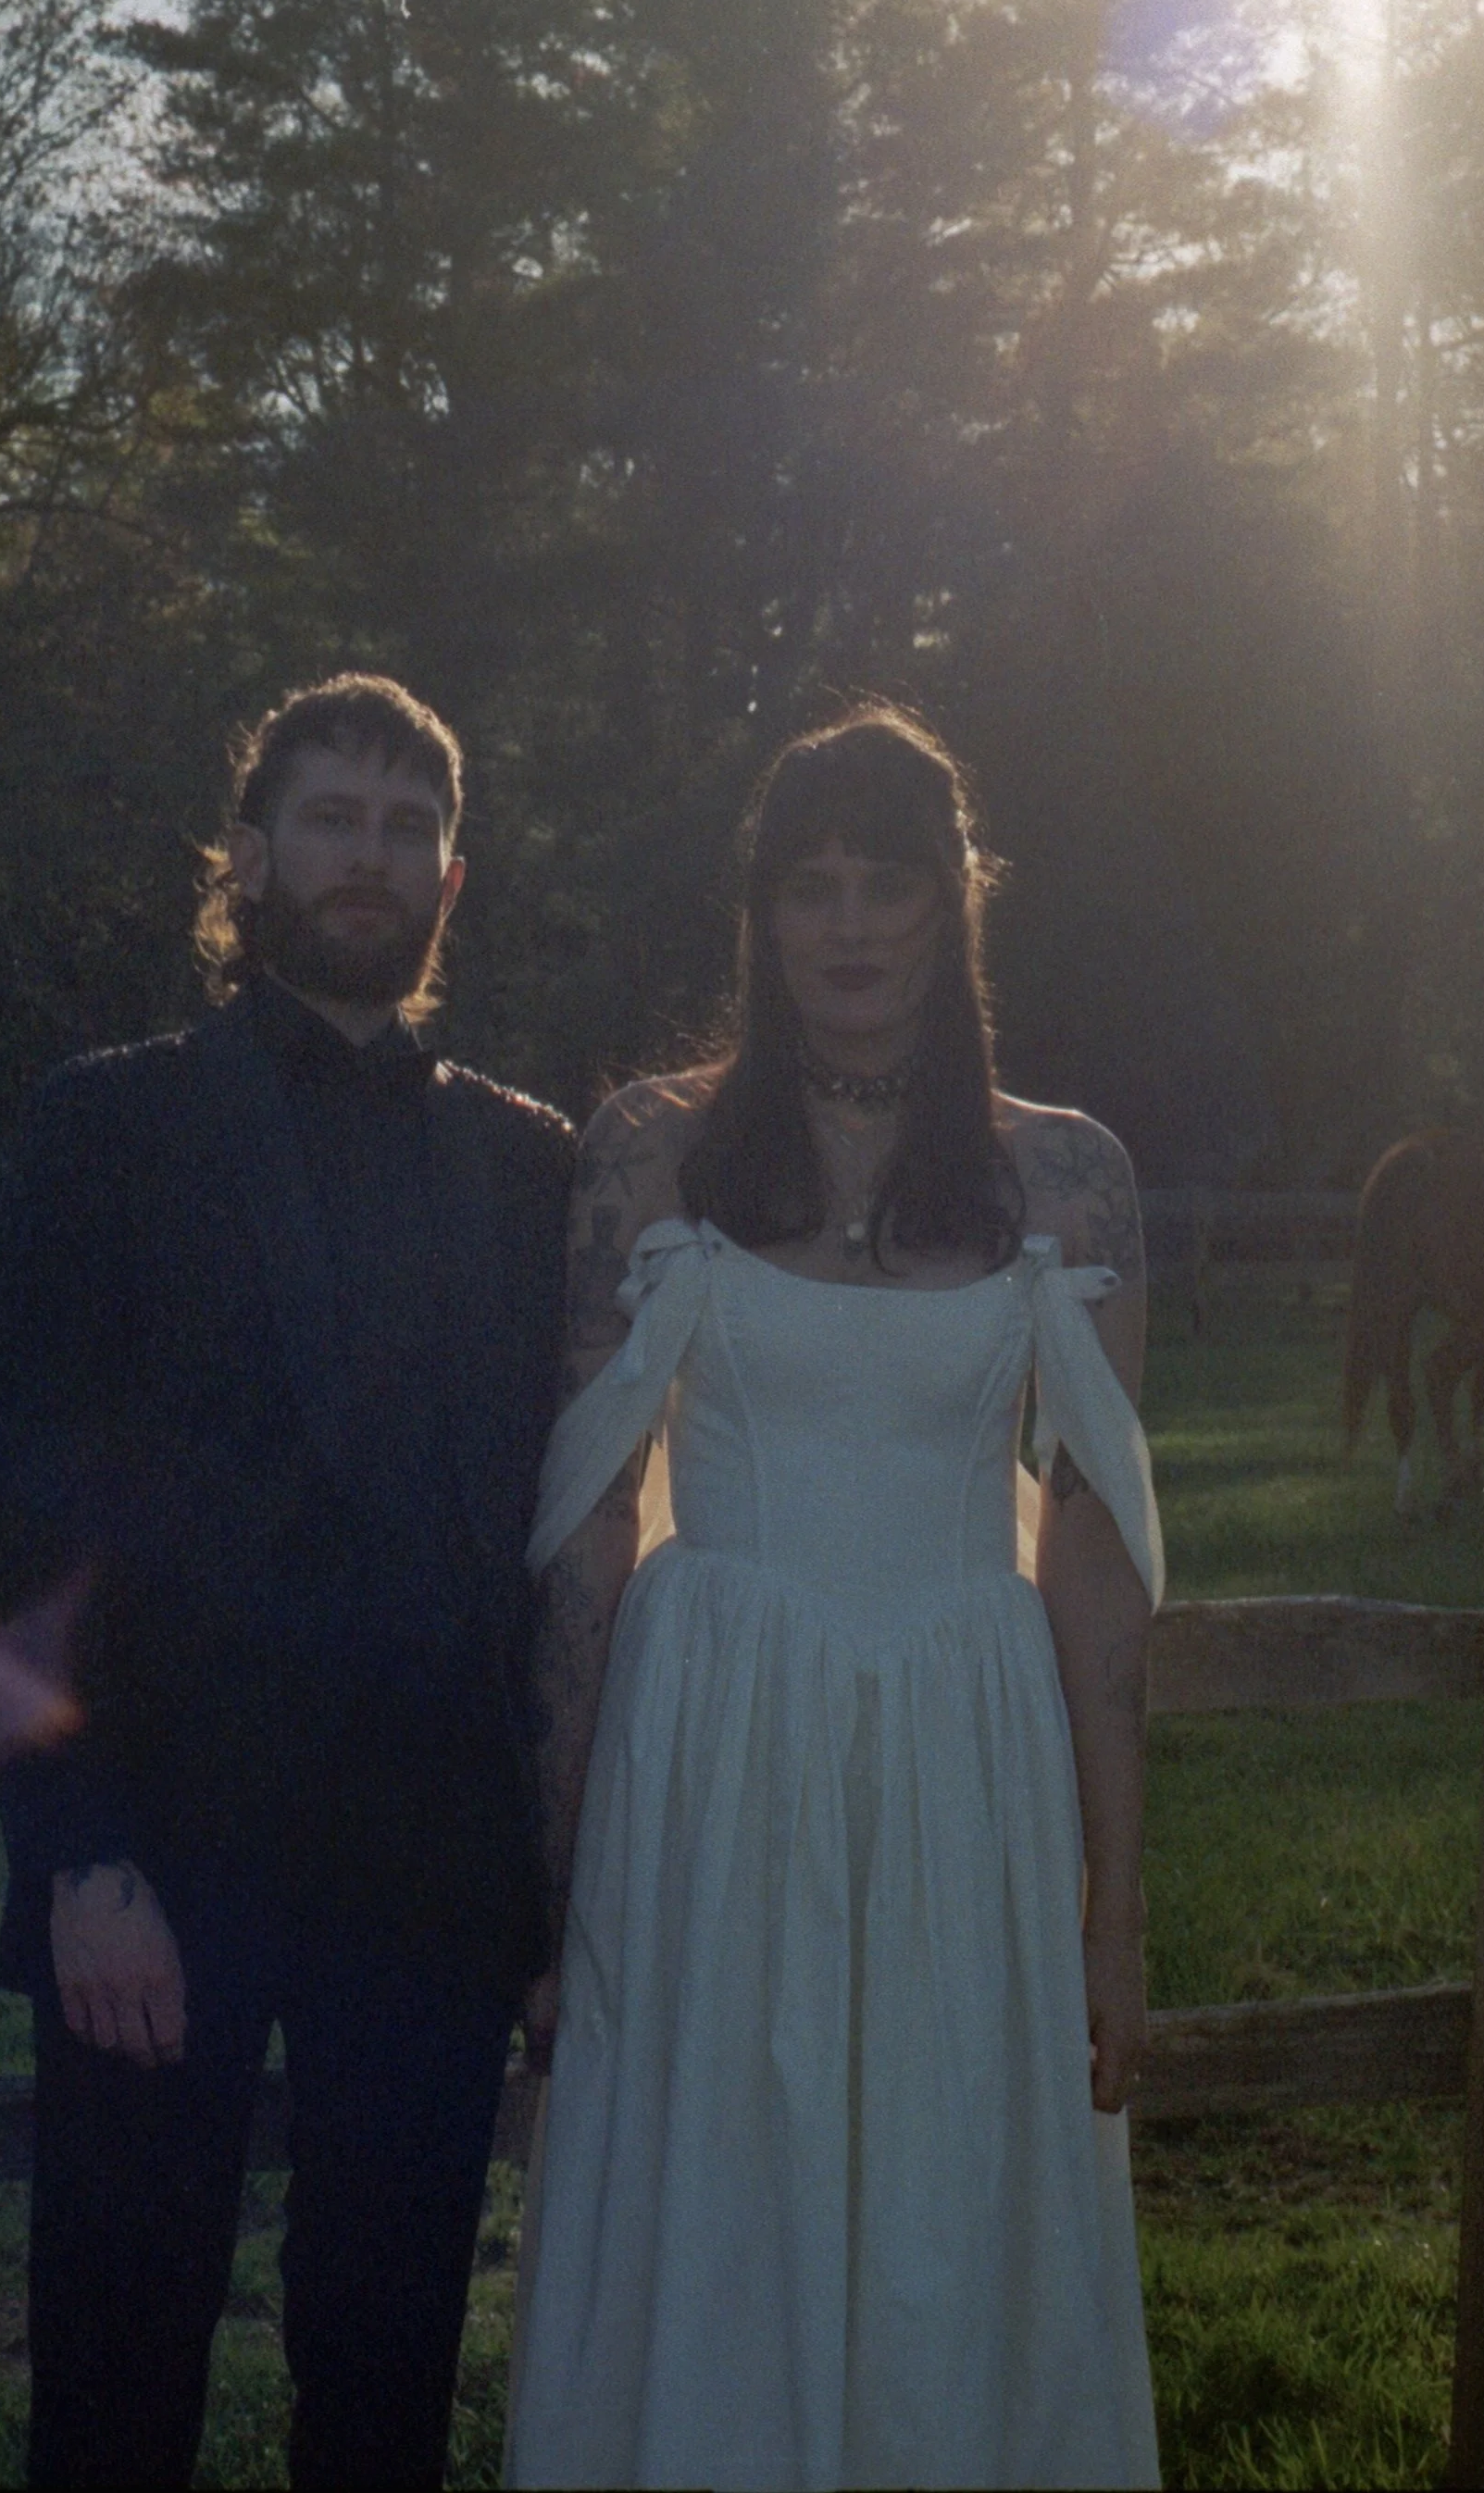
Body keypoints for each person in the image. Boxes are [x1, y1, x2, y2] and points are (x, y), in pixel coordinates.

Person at [506, 706, 1165, 2491]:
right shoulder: (653, 1155)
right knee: (714, 2191)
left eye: (891, 885)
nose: (852, 927)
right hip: (707, 1760)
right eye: (813, 890)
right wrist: (553, 1884)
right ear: (762, 917)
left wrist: (1113, 1911)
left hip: (967, 1755)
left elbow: (1098, 1564)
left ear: (957, 909)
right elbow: (581, 1534)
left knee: (949, 2195)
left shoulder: (1067, 1172)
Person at [0, 676, 575, 2490]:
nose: (364, 856)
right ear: (246, 855)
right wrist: (74, 1852)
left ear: (451, 878)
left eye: (403, 826)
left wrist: (547, 1884)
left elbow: (566, 1529)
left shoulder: (534, 1163)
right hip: (159, 1852)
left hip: (430, 1883)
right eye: (329, 815)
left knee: (386, 2380)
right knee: (116, 2361)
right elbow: (15, 1522)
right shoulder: (102, 1128)